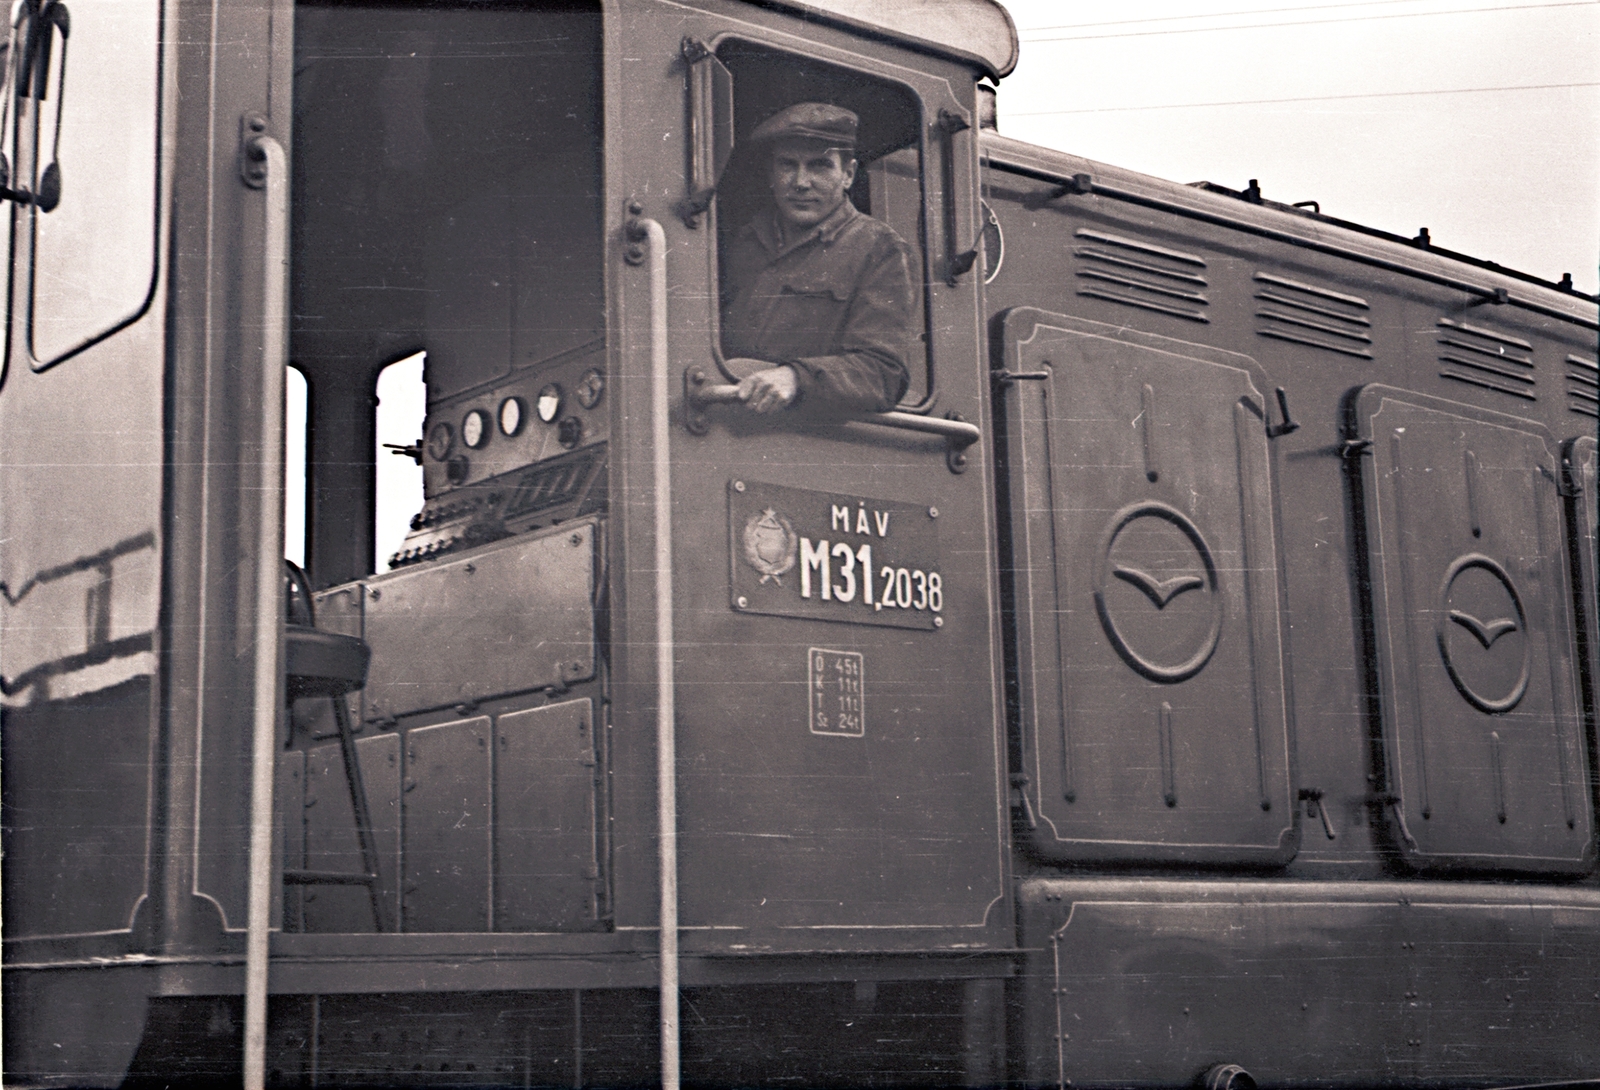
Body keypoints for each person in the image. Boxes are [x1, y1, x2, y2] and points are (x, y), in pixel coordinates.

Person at [720, 102, 916, 415]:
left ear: (848, 174)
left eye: (819, 166)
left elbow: (883, 374)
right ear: (771, 174)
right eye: (787, 165)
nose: (800, 182)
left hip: (802, 436)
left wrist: (796, 378)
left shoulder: (878, 249)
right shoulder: (743, 241)